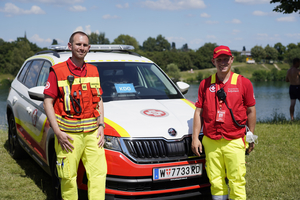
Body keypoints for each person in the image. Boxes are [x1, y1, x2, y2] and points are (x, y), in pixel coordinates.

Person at [43, 31, 107, 200]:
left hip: (93, 134)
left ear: (89, 48)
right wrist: (57, 132)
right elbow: (47, 102)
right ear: (70, 46)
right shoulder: (57, 71)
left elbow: (99, 100)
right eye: (78, 44)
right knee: (68, 177)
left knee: (98, 175)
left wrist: (101, 125)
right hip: (68, 137)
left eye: (85, 45)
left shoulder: (93, 70)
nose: (82, 48)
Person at [191, 45, 256, 200]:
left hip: (234, 140)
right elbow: (198, 112)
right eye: (219, 59)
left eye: (226, 59)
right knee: (216, 181)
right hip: (211, 141)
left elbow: (251, 111)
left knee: (237, 181)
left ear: (231, 60)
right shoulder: (205, 84)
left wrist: (251, 137)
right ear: (214, 61)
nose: (223, 62)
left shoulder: (243, 83)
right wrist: (195, 138)